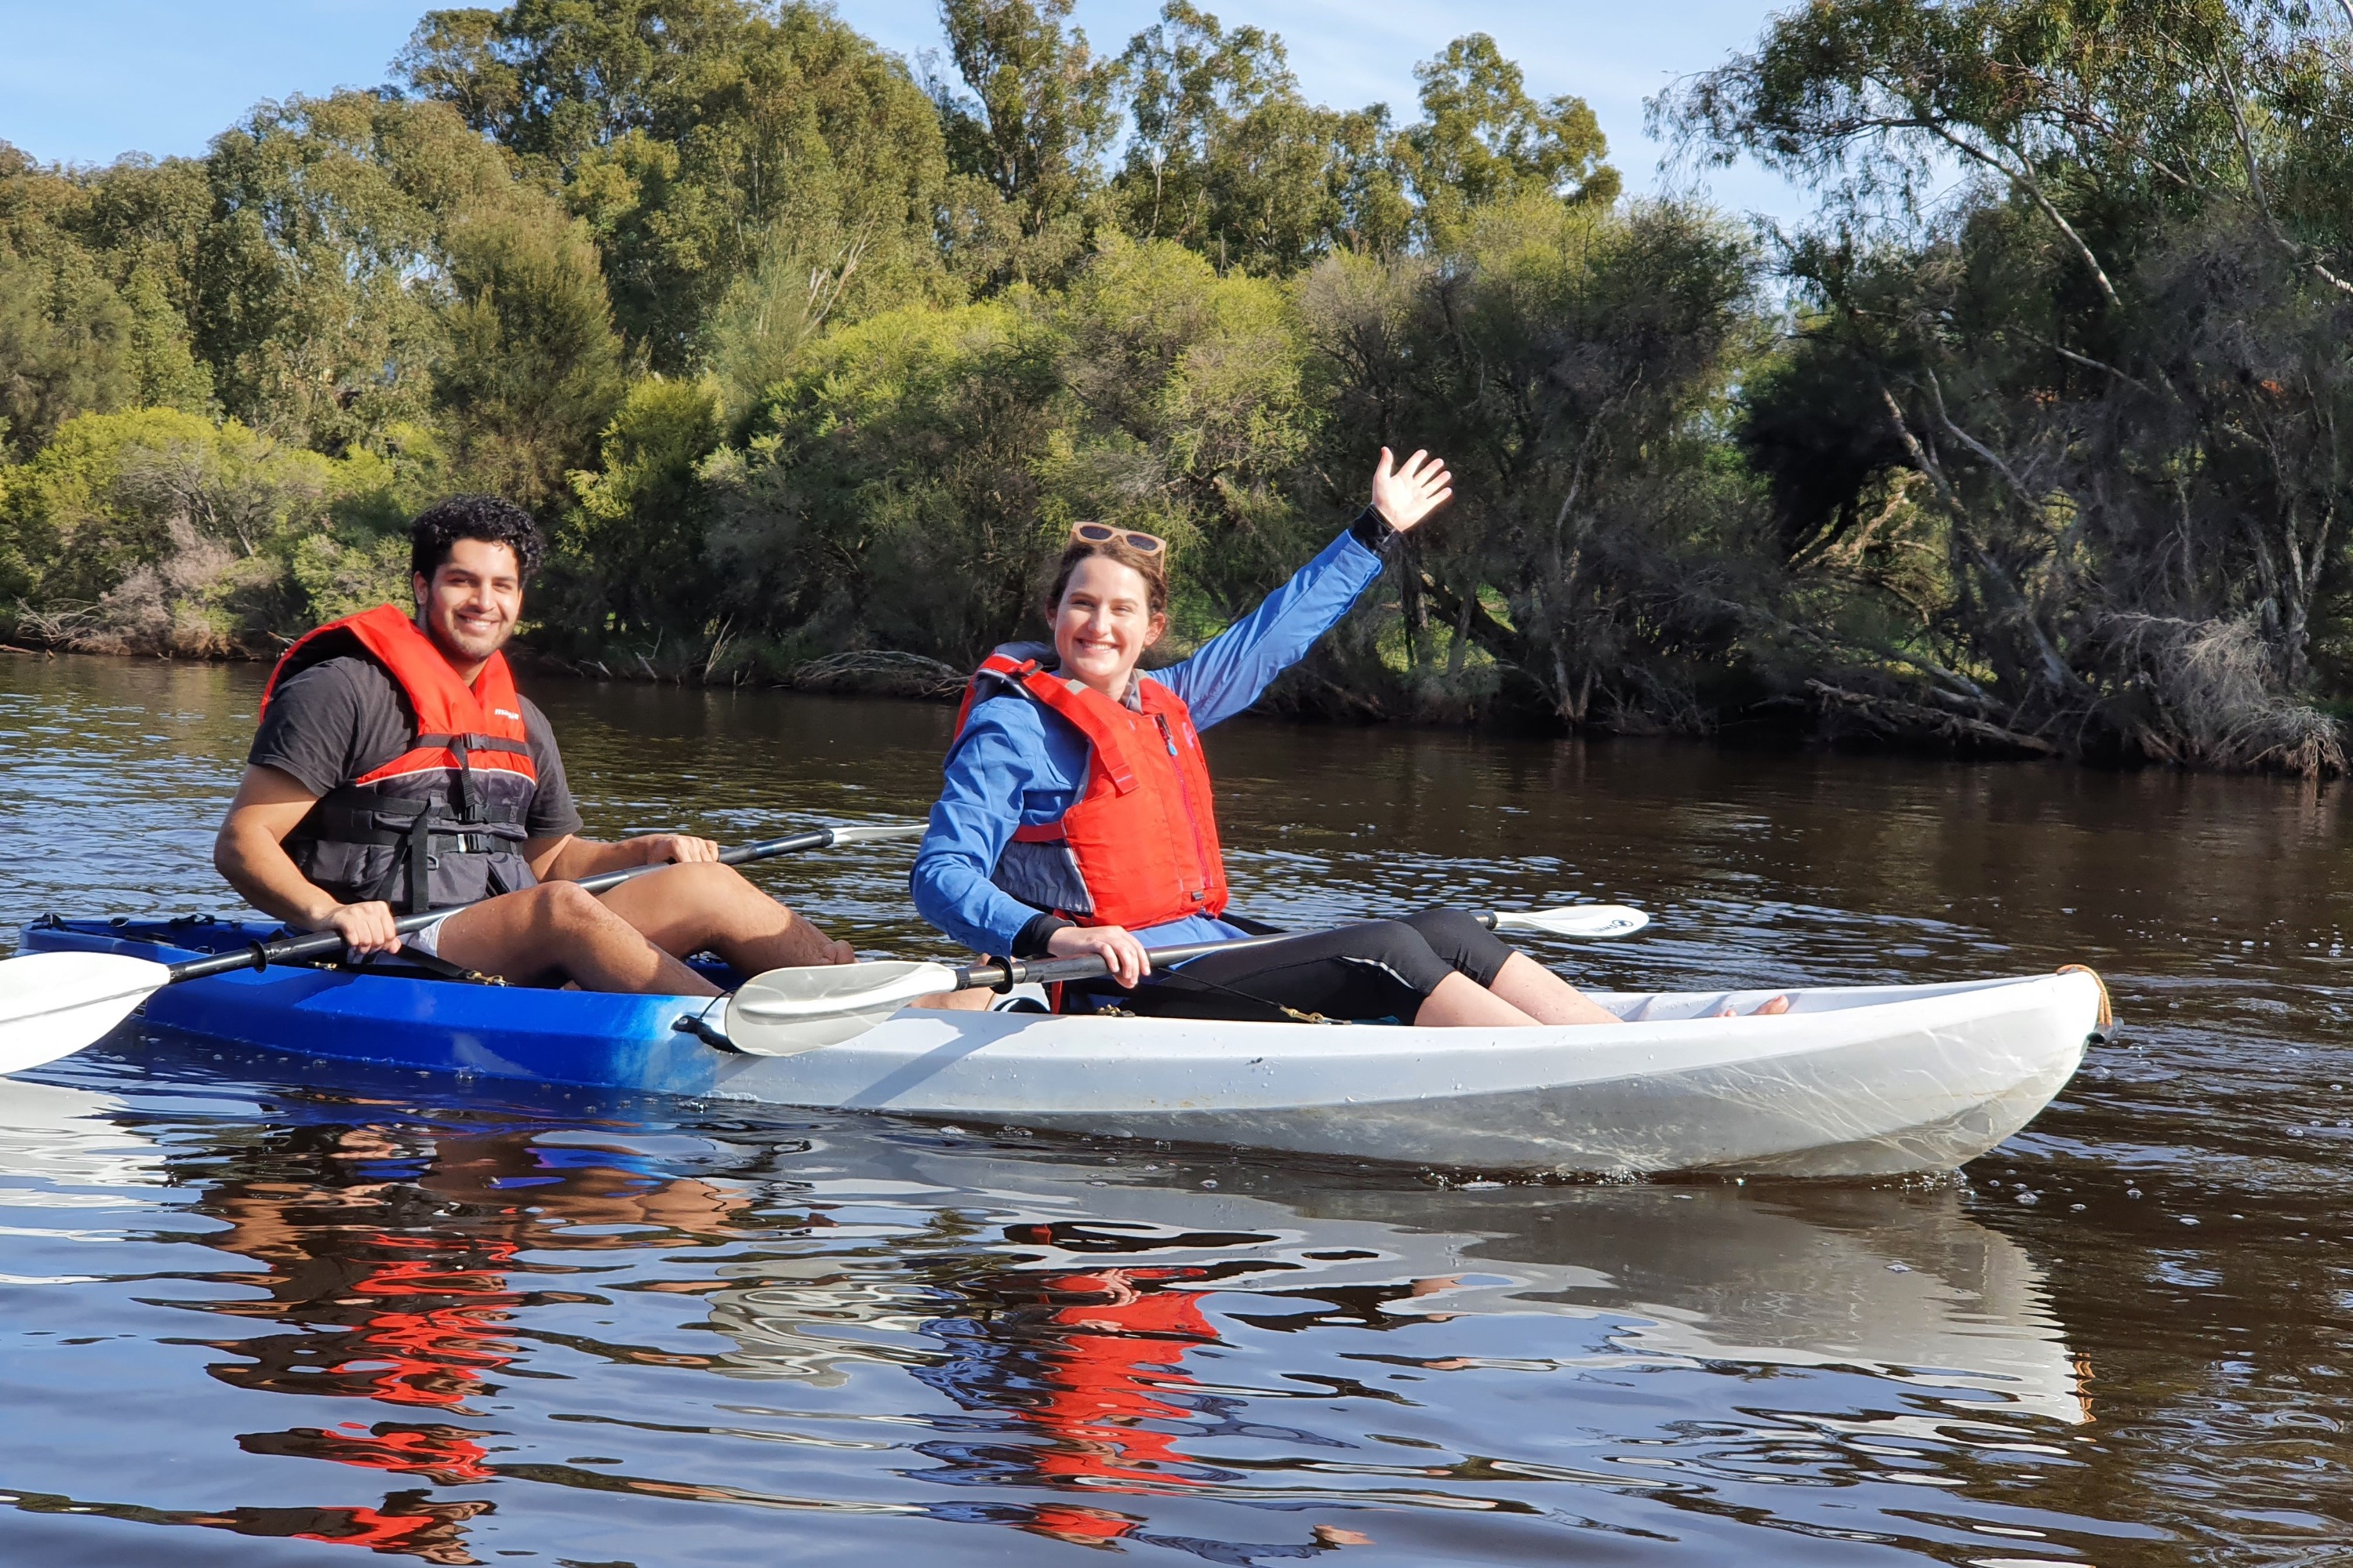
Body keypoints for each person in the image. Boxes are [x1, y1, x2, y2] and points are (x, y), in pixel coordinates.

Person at [911, 449, 1743, 1028]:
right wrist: (1057, 936)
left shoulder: (1167, 702)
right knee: (1382, 950)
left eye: (1121, 609)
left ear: (1152, 626)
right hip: (1108, 983)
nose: (1098, 624)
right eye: (1081, 605)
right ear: (1054, 615)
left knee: (1448, 928)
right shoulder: (1010, 724)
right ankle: (1589, 1067)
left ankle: (1610, 1045)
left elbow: (1273, 635)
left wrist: (1375, 530)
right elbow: (942, 876)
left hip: (1206, 949)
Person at [213, 494, 852, 995]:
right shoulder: (340, 690)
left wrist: (650, 850)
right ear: (420, 586)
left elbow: (551, 861)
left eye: (502, 586)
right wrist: (327, 913)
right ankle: (728, 1036)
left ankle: (853, 996)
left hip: (510, 930)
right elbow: (244, 843)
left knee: (703, 882)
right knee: (561, 910)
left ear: (520, 597)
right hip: (390, 947)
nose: (483, 602)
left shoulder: (519, 716)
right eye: (463, 581)